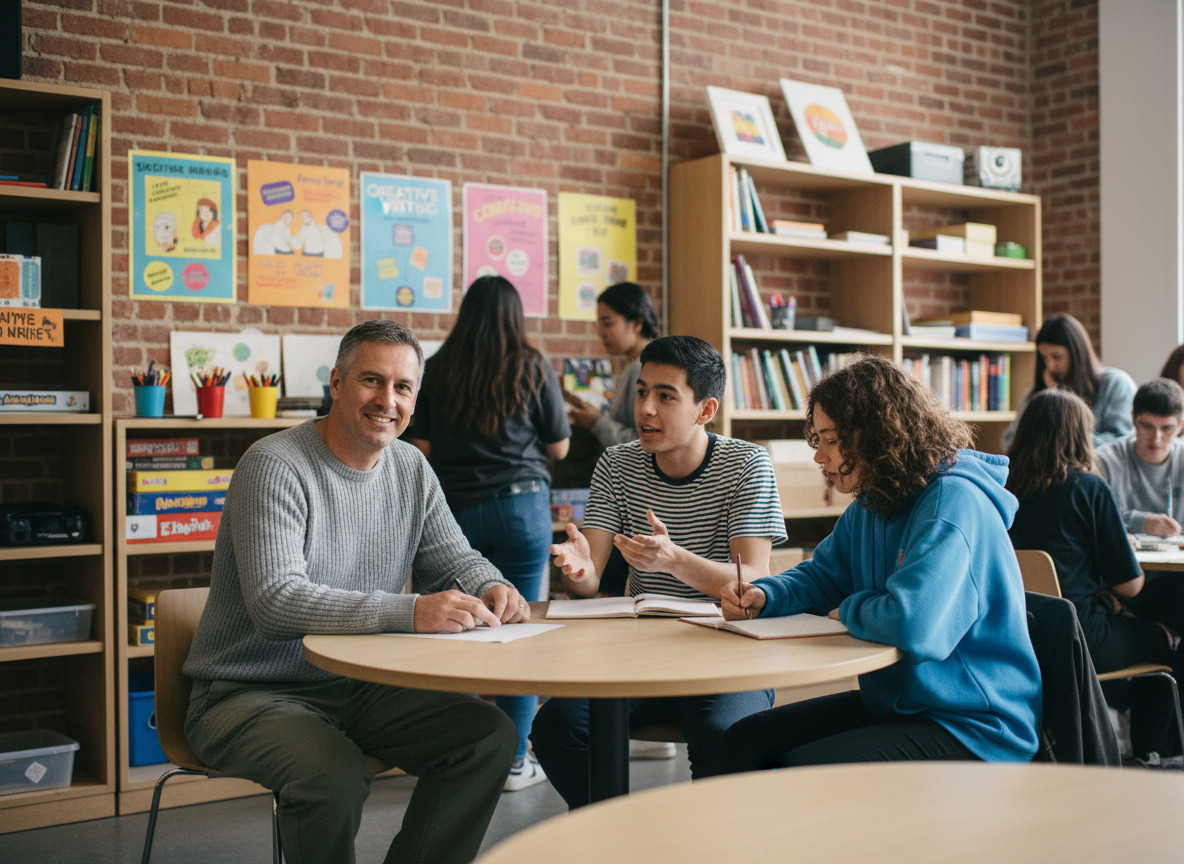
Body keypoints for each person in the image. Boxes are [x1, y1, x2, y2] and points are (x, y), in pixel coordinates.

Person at [183, 320, 526, 864]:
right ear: (337, 384)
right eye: (371, 380)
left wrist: (493, 585)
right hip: (248, 691)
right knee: (333, 776)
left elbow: (454, 558)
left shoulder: (411, 466)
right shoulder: (274, 464)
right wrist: (412, 611)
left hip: (362, 683)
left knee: (487, 738)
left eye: (403, 387)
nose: (387, 400)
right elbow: (277, 602)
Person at [720, 354, 1041, 771]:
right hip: (905, 703)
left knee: (797, 771)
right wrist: (768, 593)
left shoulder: (952, 502)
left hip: (975, 724)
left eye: (830, 439)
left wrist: (850, 608)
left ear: (875, 433)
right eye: (817, 439)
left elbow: (914, 624)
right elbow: (826, 574)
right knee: (742, 741)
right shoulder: (875, 499)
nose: (819, 456)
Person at [531, 335, 787, 806]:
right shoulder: (617, 463)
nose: (645, 408)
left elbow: (752, 582)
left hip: (727, 652)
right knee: (556, 727)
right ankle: (619, 839)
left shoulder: (747, 465)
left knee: (724, 736)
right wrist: (580, 569)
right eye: (642, 391)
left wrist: (675, 560)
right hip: (640, 651)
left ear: (705, 410)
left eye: (665, 396)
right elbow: (588, 581)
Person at [409, 275, 571, 791]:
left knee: (451, 629)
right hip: (523, 508)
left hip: (455, 511)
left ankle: (452, 753)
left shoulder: (438, 366)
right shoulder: (532, 364)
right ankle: (515, 760)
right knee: (516, 633)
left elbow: (423, 444)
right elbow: (561, 447)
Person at [1007, 387, 1184, 763]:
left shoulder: (1002, 488)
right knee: (1164, 635)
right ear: (1077, 435)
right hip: (1081, 637)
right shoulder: (1087, 487)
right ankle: (1152, 752)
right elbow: (1132, 585)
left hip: (1016, 632)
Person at [1001, 313, 1135, 451]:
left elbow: (1122, 441)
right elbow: (1010, 440)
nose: (1050, 366)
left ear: (1077, 354)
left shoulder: (1115, 384)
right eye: (1045, 358)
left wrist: (1059, 406)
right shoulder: (1035, 391)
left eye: (1057, 357)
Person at [564, 281, 660, 448]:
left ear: (636, 323)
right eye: (599, 325)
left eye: (608, 324)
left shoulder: (644, 368)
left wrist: (596, 422)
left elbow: (644, 441)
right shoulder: (633, 365)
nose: (601, 333)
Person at [1095, 377, 1184, 537]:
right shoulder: (1105, 459)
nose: (1156, 438)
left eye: (1167, 428)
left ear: (1180, 426)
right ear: (1133, 419)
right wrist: (1142, 522)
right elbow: (1094, 518)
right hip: (1122, 559)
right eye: (1147, 426)